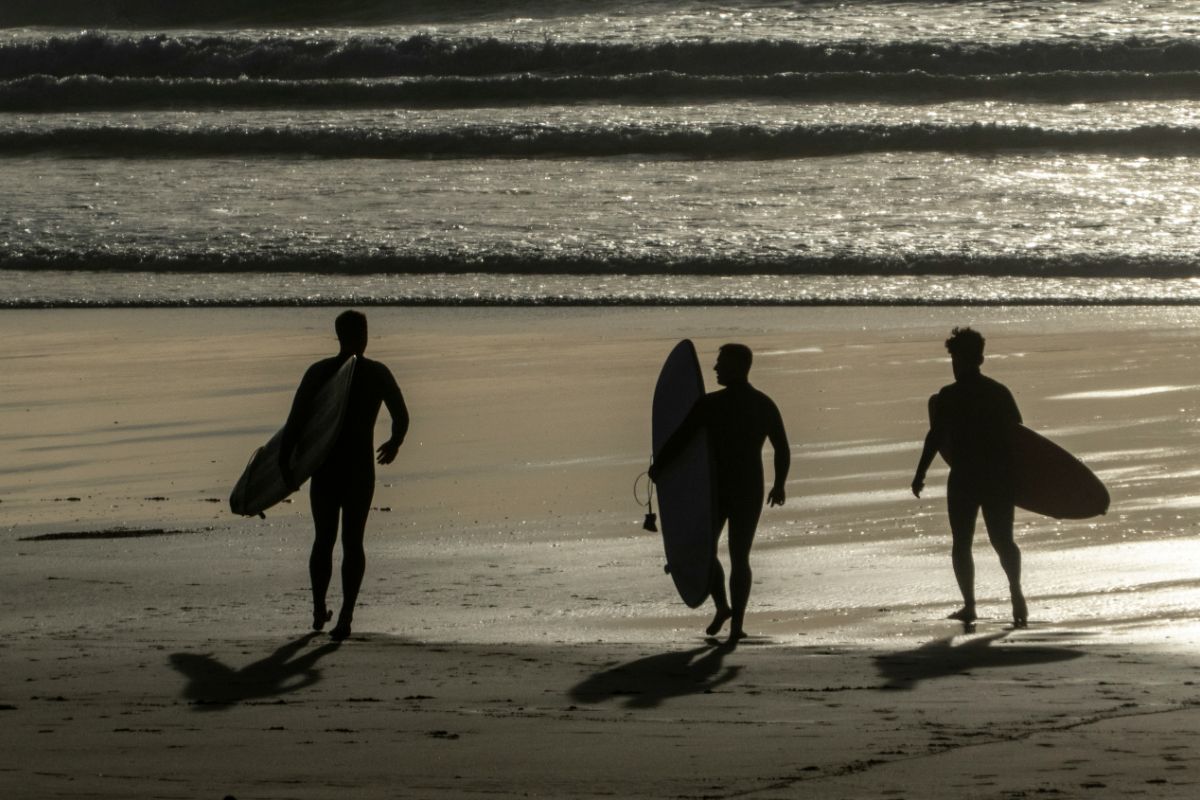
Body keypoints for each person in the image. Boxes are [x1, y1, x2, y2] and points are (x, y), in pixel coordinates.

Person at [279, 310, 409, 641]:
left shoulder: (320, 371)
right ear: (362, 336)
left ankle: (319, 609)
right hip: (358, 470)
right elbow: (401, 416)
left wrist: (285, 462)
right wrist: (395, 442)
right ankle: (346, 614)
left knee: (324, 539)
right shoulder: (377, 373)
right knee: (352, 542)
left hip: (325, 468)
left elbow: (294, 423)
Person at [649, 343, 790, 644]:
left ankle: (725, 609)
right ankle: (733, 620)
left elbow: (680, 440)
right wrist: (779, 484)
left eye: (720, 363)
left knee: (706, 550)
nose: (715, 368)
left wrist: (659, 466)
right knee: (740, 556)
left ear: (738, 366)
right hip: (750, 486)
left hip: (715, 488)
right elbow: (782, 448)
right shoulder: (764, 403)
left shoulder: (710, 405)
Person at [911, 327, 1027, 628]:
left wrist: (920, 473)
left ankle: (970, 606)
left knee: (961, 543)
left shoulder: (949, 396)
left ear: (958, 359)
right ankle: (1016, 594)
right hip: (998, 476)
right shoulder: (999, 392)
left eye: (955, 358)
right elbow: (1019, 435)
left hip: (964, 477)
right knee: (1003, 540)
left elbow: (935, 437)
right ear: (981, 358)